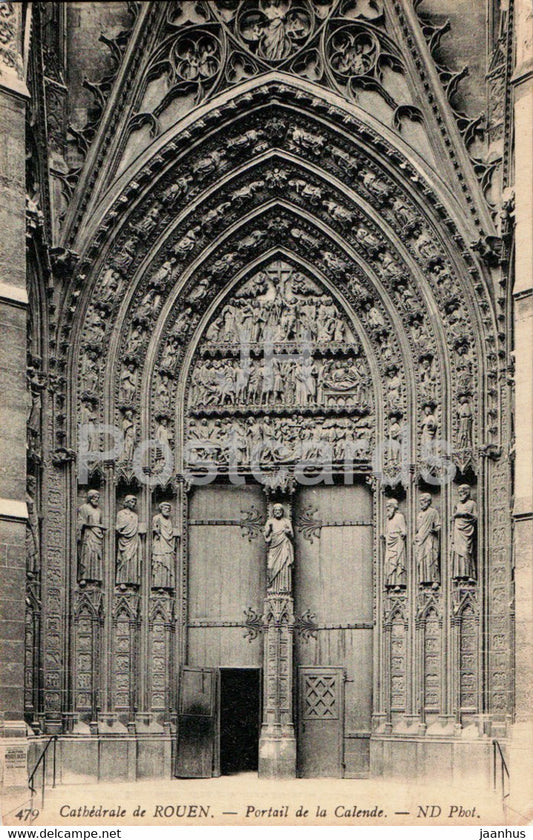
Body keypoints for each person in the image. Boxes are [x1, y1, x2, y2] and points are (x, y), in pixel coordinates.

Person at [263, 503, 294, 593]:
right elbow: (266, 536)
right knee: (270, 567)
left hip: (284, 545)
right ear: (273, 512)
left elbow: (292, 536)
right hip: (274, 547)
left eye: (279, 510)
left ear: (282, 512)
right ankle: (271, 586)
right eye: (276, 510)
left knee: (284, 566)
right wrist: (268, 531)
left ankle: (284, 588)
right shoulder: (270, 522)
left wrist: (288, 532)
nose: (277, 512)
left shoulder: (287, 521)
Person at [77, 489, 105, 583]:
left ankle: (96, 577)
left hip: (97, 536)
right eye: (95, 497)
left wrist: (99, 527)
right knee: (87, 554)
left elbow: (100, 523)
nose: (96, 499)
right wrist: (93, 525)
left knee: (96, 556)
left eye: (98, 498)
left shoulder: (99, 511)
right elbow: (80, 522)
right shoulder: (84, 508)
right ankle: (83, 576)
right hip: (88, 535)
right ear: (90, 498)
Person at [451, 484, 477, 581]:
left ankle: (470, 574)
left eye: (463, 492)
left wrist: (465, 514)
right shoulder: (457, 505)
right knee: (457, 551)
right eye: (459, 493)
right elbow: (452, 518)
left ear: (467, 493)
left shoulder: (472, 504)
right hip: (457, 530)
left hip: (467, 530)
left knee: (466, 551)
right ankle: (458, 574)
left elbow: (476, 517)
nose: (461, 495)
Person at [415, 493, 441, 585]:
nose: (421, 503)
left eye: (422, 501)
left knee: (431, 558)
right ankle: (422, 579)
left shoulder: (433, 512)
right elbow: (417, 528)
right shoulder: (419, 514)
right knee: (421, 559)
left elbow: (438, 525)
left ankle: (434, 580)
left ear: (428, 501)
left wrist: (434, 530)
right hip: (420, 539)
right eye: (420, 501)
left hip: (430, 538)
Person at [116, 495, 141, 586]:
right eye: (131, 502)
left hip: (134, 540)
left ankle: (132, 581)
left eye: (134, 502)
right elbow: (119, 527)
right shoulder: (121, 513)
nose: (133, 504)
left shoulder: (135, 516)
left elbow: (136, 528)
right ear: (126, 502)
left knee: (133, 560)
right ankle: (122, 581)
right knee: (124, 559)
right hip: (124, 540)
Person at [151, 502, 176, 589]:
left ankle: (166, 585)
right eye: (165, 509)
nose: (167, 510)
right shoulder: (156, 518)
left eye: (168, 509)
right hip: (159, 543)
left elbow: (170, 533)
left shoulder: (169, 521)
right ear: (161, 509)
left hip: (168, 545)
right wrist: (156, 531)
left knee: (167, 562)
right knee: (159, 562)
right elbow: (154, 528)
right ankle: (158, 585)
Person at [384, 498, 406, 588]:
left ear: (394, 507)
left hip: (397, 541)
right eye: (386, 507)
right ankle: (390, 582)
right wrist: (385, 535)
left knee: (397, 561)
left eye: (389, 506)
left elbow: (404, 530)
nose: (387, 509)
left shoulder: (399, 517)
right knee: (389, 561)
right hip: (390, 542)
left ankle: (398, 583)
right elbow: (387, 531)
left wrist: (402, 533)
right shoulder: (388, 519)